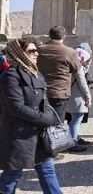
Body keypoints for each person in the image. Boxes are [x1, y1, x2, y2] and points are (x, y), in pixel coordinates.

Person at [0, 38, 62, 194]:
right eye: (31, 51)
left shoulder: (36, 74)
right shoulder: (11, 76)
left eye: (36, 50)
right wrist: (44, 119)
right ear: (20, 53)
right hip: (19, 135)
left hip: (40, 136)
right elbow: (16, 107)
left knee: (48, 171)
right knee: (12, 176)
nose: (36, 54)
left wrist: (50, 115)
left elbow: (44, 101)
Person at [37, 26, 81, 120]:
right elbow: (76, 69)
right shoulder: (70, 52)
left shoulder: (39, 50)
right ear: (64, 36)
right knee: (57, 124)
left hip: (39, 91)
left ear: (49, 35)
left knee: (40, 122)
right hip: (60, 93)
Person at [66, 47, 93, 152]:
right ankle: (73, 143)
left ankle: (71, 140)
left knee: (72, 120)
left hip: (69, 96)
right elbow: (82, 84)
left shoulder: (69, 65)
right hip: (78, 97)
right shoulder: (78, 68)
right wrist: (88, 97)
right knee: (76, 120)